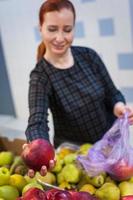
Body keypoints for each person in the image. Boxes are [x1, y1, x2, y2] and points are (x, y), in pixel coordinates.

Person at [25, 0, 133, 176]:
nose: (60, 38)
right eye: (52, 29)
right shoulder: (41, 76)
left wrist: (119, 107)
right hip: (76, 159)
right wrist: (37, 146)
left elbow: (112, 93)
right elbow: (37, 121)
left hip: (110, 148)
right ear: (41, 28)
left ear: (74, 28)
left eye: (67, 30)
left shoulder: (88, 56)